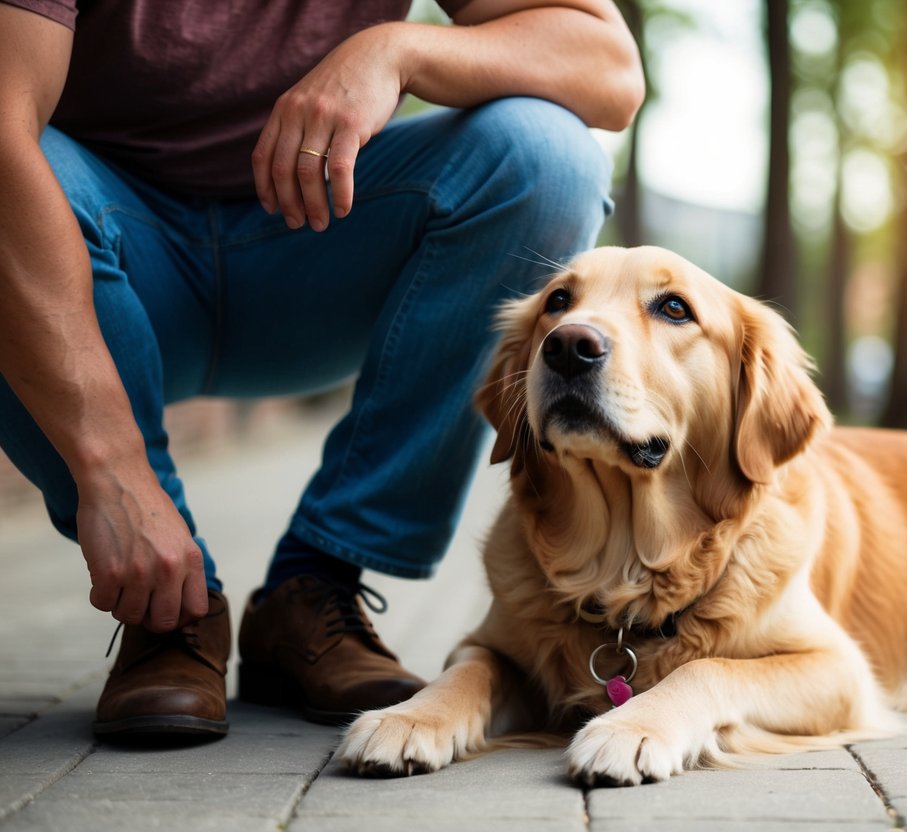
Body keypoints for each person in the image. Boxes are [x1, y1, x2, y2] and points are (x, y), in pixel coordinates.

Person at [0, 0, 643, 740]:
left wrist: (397, 51)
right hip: (106, 260)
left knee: (545, 155)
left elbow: (608, 68)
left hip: (317, 242)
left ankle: (315, 583)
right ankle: (169, 608)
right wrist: (112, 471)